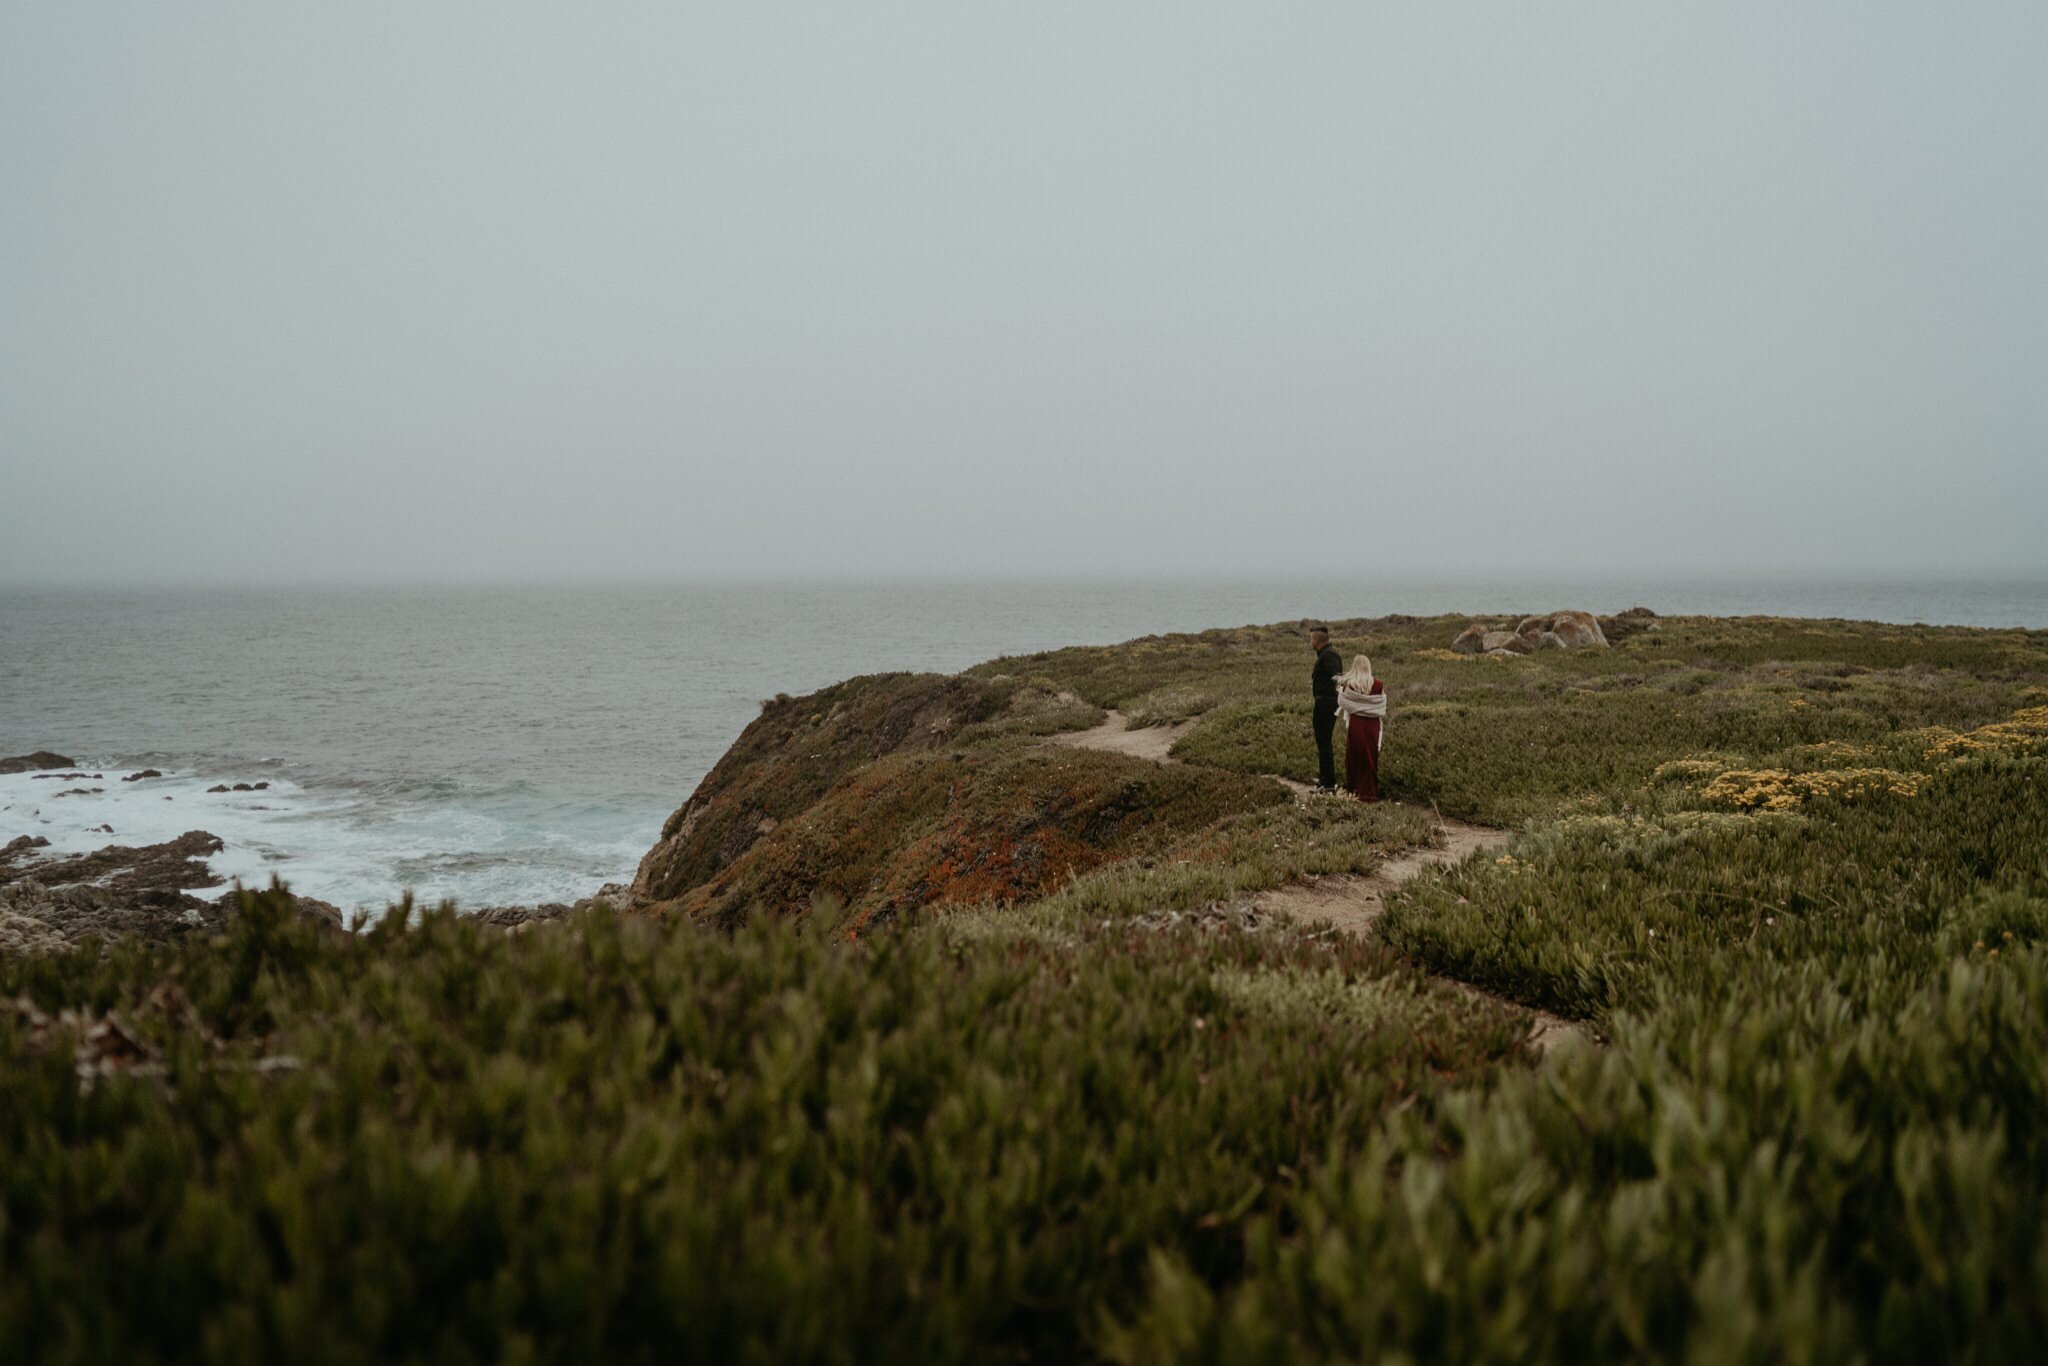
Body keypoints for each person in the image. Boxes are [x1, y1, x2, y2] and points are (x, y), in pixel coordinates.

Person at [1335, 654, 1386, 802]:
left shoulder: (1349, 684)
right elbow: (1381, 704)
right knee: (1370, 755)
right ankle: (1369, 791)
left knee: (1354, 754)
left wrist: (1356, 707)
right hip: (1372, 724)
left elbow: (1342, 701)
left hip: (1357, 723)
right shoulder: (1378, 684)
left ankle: (1354, 788)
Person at [1309, 626, 1342, 790]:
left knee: (1324, 742)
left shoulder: (1329, 655)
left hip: (1326, 704)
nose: (1310, 642)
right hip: (1324, 703)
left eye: (1311, 639)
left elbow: (1337, 677)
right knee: (1322, 742)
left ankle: (1328, 782)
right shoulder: (1325, 655)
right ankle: (1325, 778)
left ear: (1317, 640)